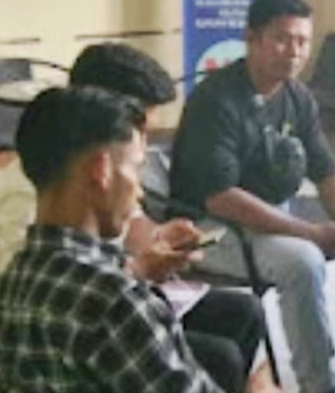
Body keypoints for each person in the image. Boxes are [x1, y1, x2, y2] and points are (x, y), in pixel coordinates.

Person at [169, 0, 335, 393]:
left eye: (303, 41)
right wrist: (312, 233)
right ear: (251, 39)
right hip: (212, 227)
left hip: (277, 208)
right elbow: (222, 198)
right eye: (282, 39)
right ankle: (319, 383)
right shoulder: (216, 100)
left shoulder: (296, 96)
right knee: (302, 261)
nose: (294, 52)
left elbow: (325, 169)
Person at [71, 42, 271, 393]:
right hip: (83, 327)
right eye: (139, 129)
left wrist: (162, 239)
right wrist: (138, 270)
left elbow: (134, 226)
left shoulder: (113, 165)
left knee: (246, 313)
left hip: (119, 292)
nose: (144, 144)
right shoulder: (42, 191)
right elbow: (58, 301)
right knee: (219, 358)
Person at [0, 86, 222, 393]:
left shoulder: (15, 279)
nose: (139, 191)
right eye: (135, 168)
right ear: (101, 170)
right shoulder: (114, 302)